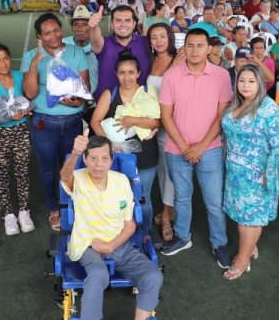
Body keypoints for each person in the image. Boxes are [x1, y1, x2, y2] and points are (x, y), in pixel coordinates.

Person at [59, 133, 164, 320]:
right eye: (93, 158)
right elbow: (65, 175)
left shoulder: (120, 181)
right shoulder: (78, 177)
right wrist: (74, 154)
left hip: (118, 245)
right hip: (88, 245)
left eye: (104, 158)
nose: (98, 163)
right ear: (86, 159)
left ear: (111, 159)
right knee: (98, 274)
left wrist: (111, 246)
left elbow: (129, 225)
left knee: (153, 276)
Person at [158, 28, 233, 268]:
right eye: (190, 45)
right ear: (184, 48)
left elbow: (222, 115)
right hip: (176, 148)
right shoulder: (171, 75)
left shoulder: (222, 76)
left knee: (214, 201)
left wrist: (200, 147)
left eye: (200, 45)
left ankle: (219, 243)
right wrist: (184, 147)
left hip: (210, 149)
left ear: (209, 48)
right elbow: (166, 115)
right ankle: (182, 237)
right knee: (181, 197)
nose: (194, 50)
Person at [220, 63, 279, 280]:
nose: (246, 85)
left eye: (251, 81)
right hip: (236, 172)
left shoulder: (269, 109)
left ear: (260, 83)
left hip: (258, 173)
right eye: (242, 81)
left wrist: (269, 173)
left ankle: (242, 260)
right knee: (241, 215)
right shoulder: (237, 103)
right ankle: (250, 247)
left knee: (250, 219)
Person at [23, 12, 91, 232]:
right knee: (47, 171)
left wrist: (77, 100)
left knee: (72, 166)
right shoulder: (31, 56)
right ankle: (54, 209)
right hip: (44, 124)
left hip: (73, 122)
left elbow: (85, 88)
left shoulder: (76, 52)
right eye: (47, 33)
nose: (53, 36)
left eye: (56, 30)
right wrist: (36, 61)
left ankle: (69, 205)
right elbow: (30, 93)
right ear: (39, 36)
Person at [90, 52, 160, 232]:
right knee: (117, 197)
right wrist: (109, 144)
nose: (126, 77)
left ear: (138, 73)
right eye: (122, 73)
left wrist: (133, 120)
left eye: (131, 72)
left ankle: (144, 234)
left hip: (146, 154)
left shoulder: (147, 92)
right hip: (116, 155)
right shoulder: (110, 93)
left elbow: (156, 122)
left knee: (143, 197)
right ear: (116, 74)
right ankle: (119, 234)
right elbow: (95, 121)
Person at [0, 43, 34, 236]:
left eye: (5, 58)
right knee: (2, 173)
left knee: (22, 172)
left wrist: (27, 109)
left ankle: (24, 211)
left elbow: (31, 98)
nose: (3, 63)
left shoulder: (21, 76)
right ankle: (8, 214)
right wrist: (4, 115)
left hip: (21, 131)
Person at [146, 22, 178, 244]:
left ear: (169, 38)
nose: (158, 41)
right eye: (153, 37)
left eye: (162, 36)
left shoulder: (178, 60)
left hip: (170, 124)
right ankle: (169, 208)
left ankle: (167, 216)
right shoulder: (149, 61)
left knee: (170, 172)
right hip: (151, 124)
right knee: (158, 169)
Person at [90, 5, 150, 99]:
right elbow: (96, 42)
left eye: (127, 20)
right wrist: (94, 26)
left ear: (134, 24)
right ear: (111, 24)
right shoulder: (104, 43)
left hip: (140, 102)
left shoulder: (146, 42)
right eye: (118, 20)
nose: (123, 24)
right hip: (107, 104)